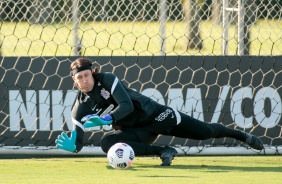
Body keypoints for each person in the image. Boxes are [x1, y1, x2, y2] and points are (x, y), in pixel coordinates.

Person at [55, 57, 264, 166]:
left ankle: (242, 135)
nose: (83, 80)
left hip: (156, 115)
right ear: (73, 80)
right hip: (139, 131)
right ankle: (163, 151)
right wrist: (74, 146)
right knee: (106, 144)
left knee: (205, 132)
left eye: (86, 75)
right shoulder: (79, 109)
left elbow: (126, 106)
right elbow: (79, 143)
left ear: (92, 72)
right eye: (78, 77)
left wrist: (105, 119)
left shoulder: (107, 79)